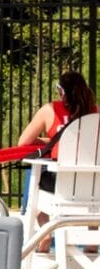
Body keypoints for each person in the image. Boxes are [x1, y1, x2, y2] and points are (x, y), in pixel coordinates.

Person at [17, 69, 98, 218]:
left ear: (61, 91)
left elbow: (23, 142)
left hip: (61, 183)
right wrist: (54, 142)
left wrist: (48, 142)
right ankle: (92, 233)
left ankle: (45, 227)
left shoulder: (50, 110)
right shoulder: (96, 112)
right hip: (93, 184)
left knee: (36, 174)